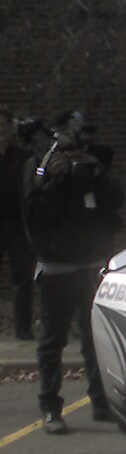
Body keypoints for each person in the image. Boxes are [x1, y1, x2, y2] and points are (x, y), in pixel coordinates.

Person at [22, 110, 123, 434]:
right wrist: (53, 178)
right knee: (53, 341)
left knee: (94, 337)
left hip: (92, 263)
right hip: (57, 267)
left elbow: (114, 202)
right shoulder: (40, 166)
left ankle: (100, 402)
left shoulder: (93, 164)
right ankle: (50, 408)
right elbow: (36, 213)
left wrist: (96, 173)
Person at [0, 109, 35, 340]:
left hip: (17, 224)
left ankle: (23, 330)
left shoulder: (23, 156)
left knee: (23, 278)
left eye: (3, 126)